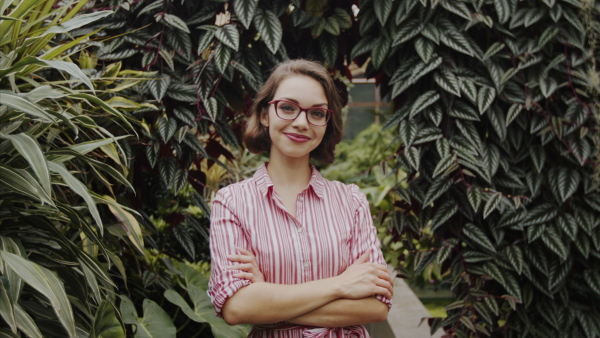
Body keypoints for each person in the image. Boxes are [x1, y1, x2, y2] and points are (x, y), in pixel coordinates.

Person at [208, 59, 393, 337]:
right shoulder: (232, 202)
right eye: (288, 108)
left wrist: (268, 302)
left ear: (327, 123)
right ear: (264, 114)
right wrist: (341, 285)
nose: (301, 122)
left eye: (316, 113)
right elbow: (236, 308)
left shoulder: (351, 201)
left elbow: (376, 306)